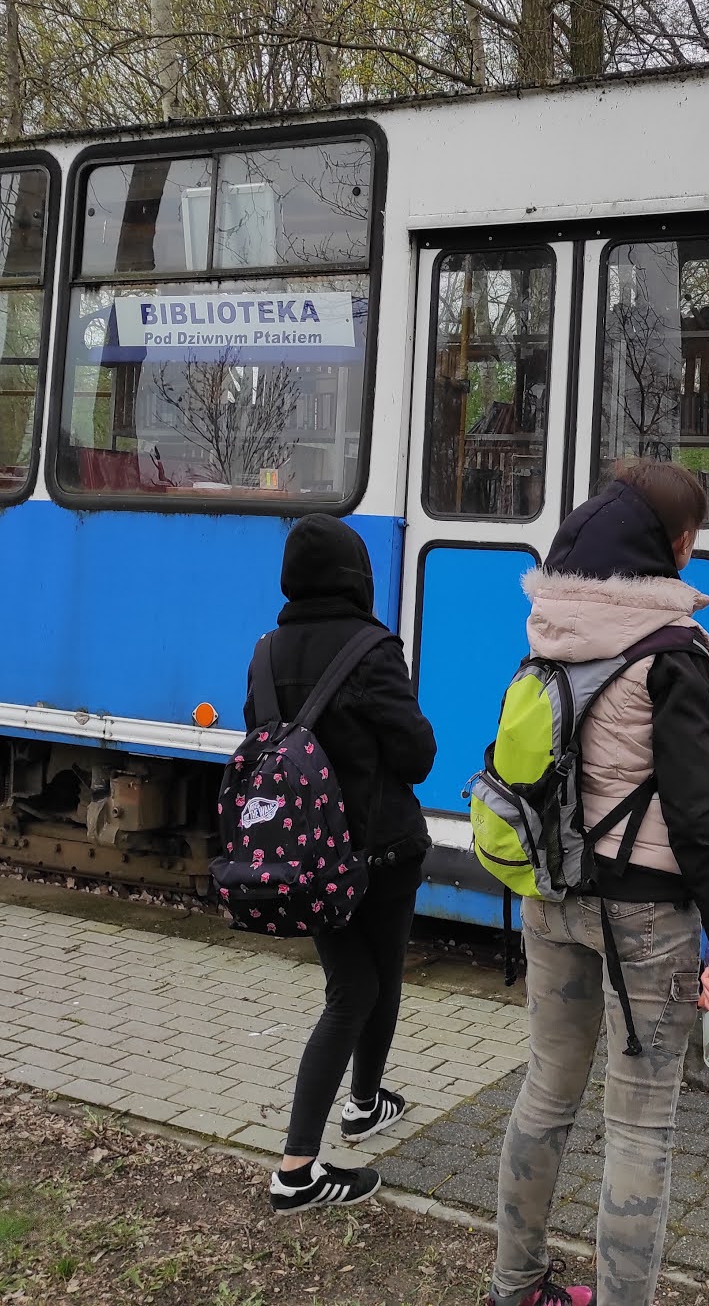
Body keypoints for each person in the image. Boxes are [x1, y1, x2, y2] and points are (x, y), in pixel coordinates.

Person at [487, 460, 709, 1306]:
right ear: (675, 546)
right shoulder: (675, 650)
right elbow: (697, 813)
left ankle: (515, 1285)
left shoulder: (550, 627)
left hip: (551, 895)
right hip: (645, 917)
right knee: (640, 1126)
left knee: (546, 1095)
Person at [260, 514, 437, 1213]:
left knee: (358, 981)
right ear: (357, 575)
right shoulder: (372, 648)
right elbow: (417, 755)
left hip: (305, 859)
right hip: (382, 853)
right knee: (362, 989)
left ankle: (366, 1105)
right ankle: (297, 1171)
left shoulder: (266, 652)